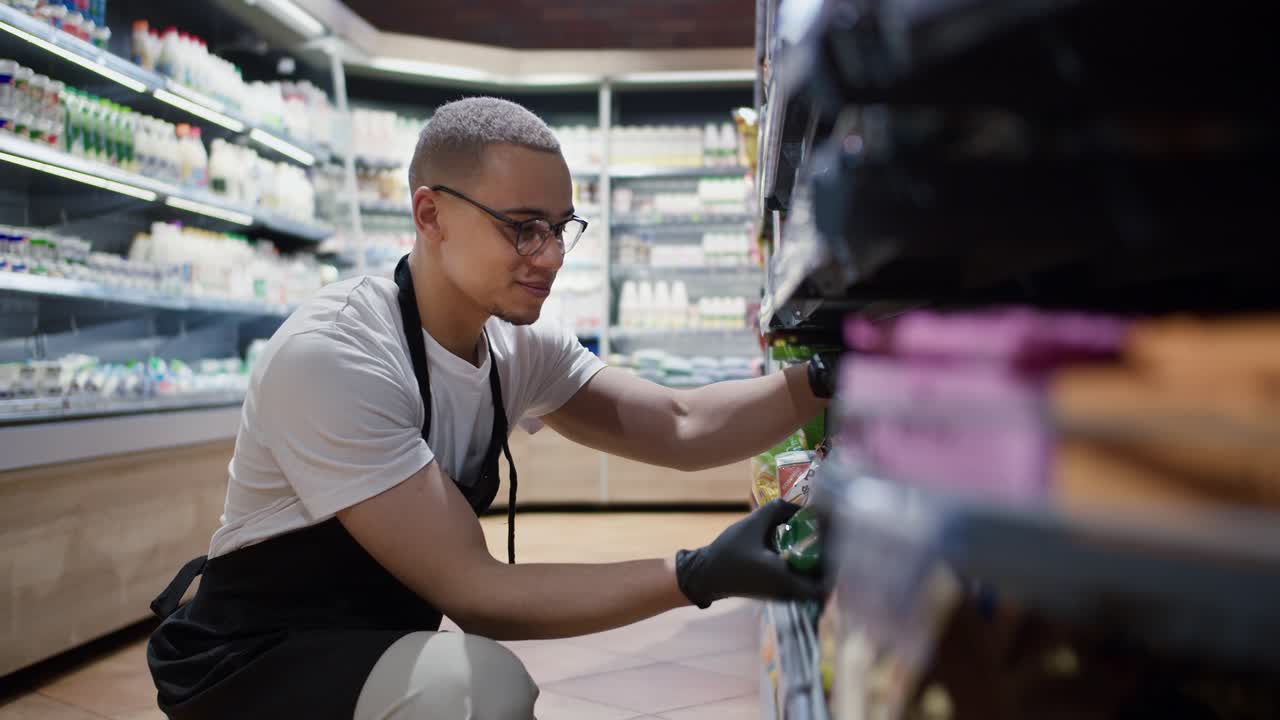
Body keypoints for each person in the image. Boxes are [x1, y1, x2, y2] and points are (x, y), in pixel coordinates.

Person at [146, 97, 833, 720]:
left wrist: (832, 373)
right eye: (523, 228)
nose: (551, 255)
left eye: (562, 227)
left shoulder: (512, 344)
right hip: (250, 661)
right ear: (429, 213)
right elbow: (474, 591)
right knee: (473, 690)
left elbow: (681, 426)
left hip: (369, 642)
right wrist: (697, 573)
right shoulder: (338, 355)